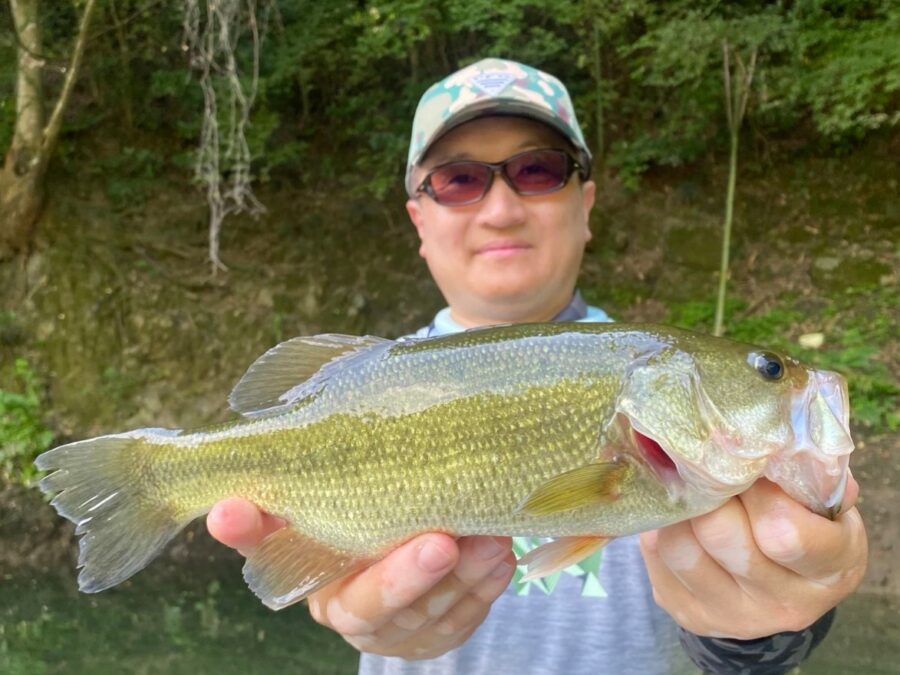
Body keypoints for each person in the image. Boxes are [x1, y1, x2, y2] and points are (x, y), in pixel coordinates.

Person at [207, 58, 868, 674]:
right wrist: (333, 581)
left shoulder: (703, 452)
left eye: (538, 171)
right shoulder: (364, 377)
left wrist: (763, 627)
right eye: (459, 180)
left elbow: (748, 646)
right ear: (418, 219)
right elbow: (297, 563)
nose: (500, 209)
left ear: (585, 204)